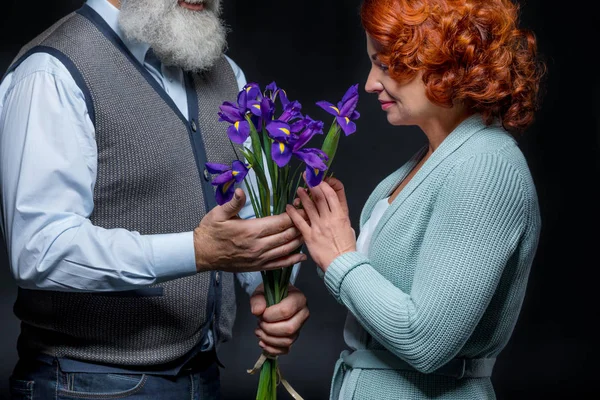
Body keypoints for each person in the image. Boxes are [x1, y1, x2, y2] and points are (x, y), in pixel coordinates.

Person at [0, 0, 310, 398]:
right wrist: (197, 251)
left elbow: (252, 213)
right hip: (86, 383)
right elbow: (41, 249)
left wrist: (273, 291)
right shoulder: (51, 73)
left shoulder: (227, 74)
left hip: (203, 374)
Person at [286, 0, 546, 398]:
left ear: (444, 58)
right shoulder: (431, 160)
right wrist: (333, 240)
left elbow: (423, 341)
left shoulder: (487, 166)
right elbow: (377, 291)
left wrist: (339, 258)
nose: (371, 82)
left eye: (386, 64)